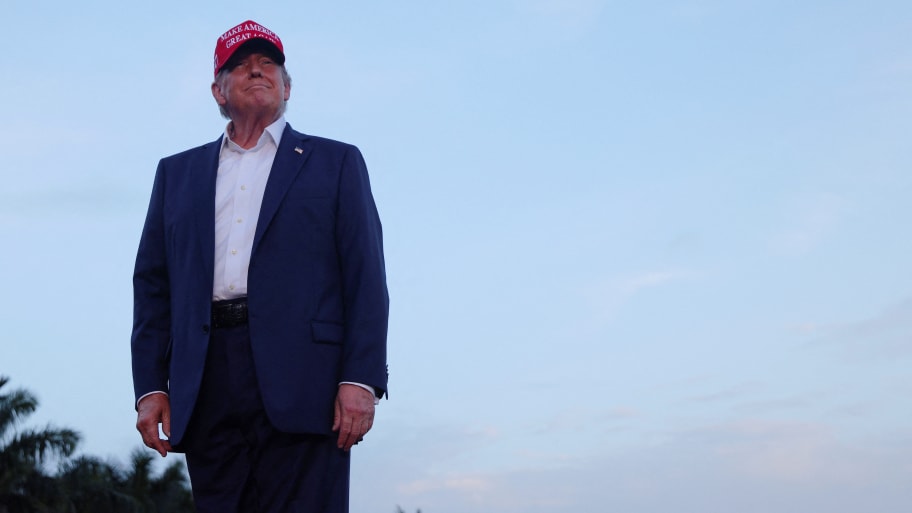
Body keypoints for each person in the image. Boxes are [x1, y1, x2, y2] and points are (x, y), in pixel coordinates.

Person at [131, 20, 389, 513]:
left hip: (307, 382)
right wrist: (151, 386)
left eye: (268, 63)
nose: (256, 70)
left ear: (287, 86)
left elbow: (365, 276)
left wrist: (360, 378)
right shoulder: (176, 174)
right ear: (217, 90)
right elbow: (152, 286)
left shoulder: (335, 162)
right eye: (239, 65)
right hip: (205, 380)